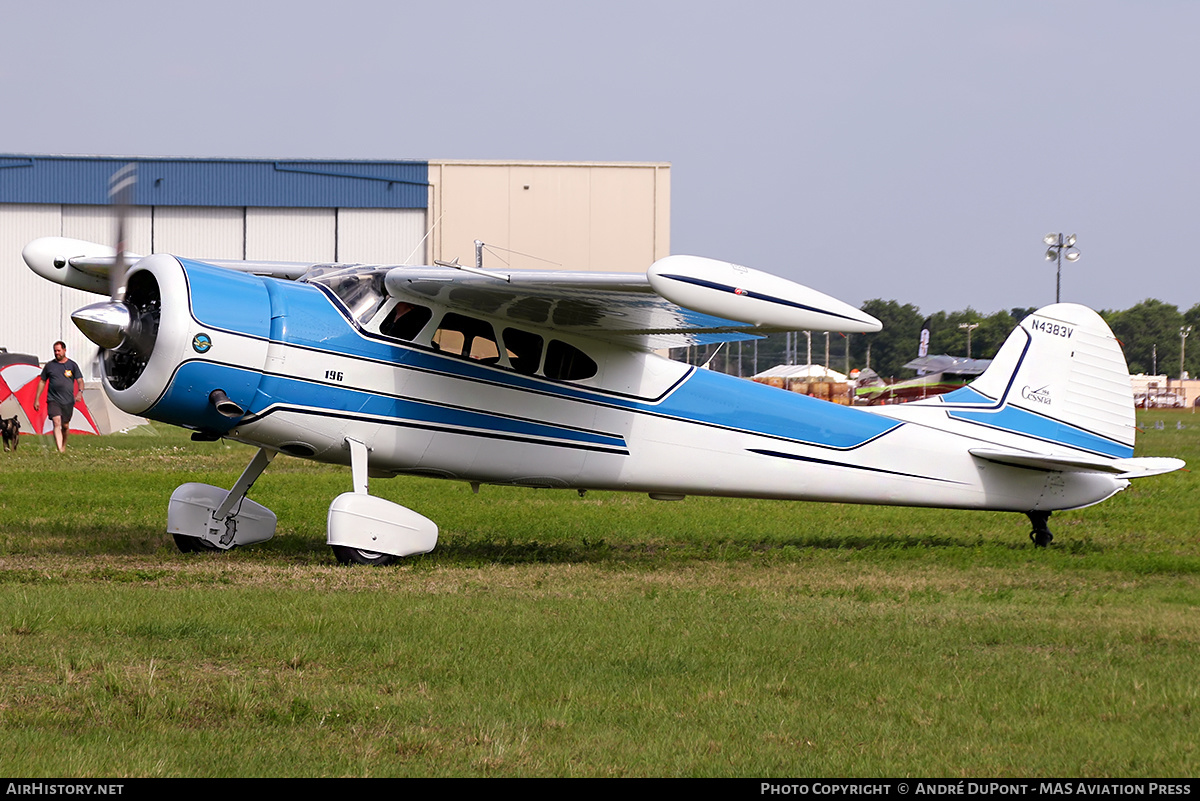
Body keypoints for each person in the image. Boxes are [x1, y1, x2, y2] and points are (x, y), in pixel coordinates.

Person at [33, 341, 84, 453]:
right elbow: (42, 382)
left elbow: (80, 380)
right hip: (53, 399)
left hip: (68, 401)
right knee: (56, 422)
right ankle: (60, 450)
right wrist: (37, 399)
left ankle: (63, 445)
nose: (57, 353)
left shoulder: (72, 365)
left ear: (64, 350)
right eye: (55, 351)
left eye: (59, 351)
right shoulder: (50, 366)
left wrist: (80, 392)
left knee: (65, 426)